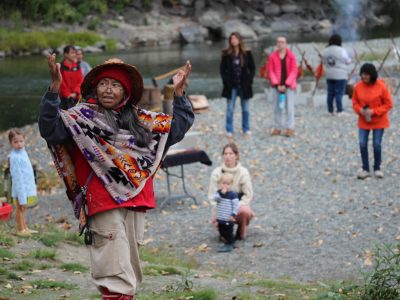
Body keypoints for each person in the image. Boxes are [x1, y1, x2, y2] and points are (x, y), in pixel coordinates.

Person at [39, 54, 194, 300]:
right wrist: (54, 90)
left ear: (126, 91)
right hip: (102, 202)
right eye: (103, 83)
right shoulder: (79, 120)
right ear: (94, 87)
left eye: (115, 85)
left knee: (128, 269)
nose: (108, 90)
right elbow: (48, 129)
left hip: (136, 201)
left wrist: (180, 94)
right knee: (114, 275)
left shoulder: (142, 121)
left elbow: (175, 129)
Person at [352, 63, 393, 180]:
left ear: (372, 75)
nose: (363, 76)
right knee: (362, 143)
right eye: (362, 74)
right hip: (363, 120)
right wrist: (360, 110)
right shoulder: (358, 87)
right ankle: (365, 169)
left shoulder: (381, 86)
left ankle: (377, 168)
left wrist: (374, 111)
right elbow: (354, 102)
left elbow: (389, 104)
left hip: (379, 121)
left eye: (366, 74)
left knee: (376, 144)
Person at [208, 143, 254, 240]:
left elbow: (248, 194)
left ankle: (241, 231)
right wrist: (215, 212)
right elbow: (212, 196)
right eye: (225, 154)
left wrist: (234, 207)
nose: (228, 156)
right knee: (224, 236)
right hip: (222, 207)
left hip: (238, 205)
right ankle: (224, 232)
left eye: (231, 154)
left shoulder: (243, 172)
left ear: (236, 156)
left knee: (245, 212)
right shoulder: (216, 173)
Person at [220, 32, 255, 137]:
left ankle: (246, 128)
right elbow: (222, 70)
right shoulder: (226, 54)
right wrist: (226, 81)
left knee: (245, 109)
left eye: (235, 38)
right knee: (230, 109)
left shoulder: (247, 53)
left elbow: (252, 68)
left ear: (239, 40)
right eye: (232, 39)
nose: (233, 40)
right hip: (231, 86)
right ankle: (229, 129)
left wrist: (249, 80)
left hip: (244, 85)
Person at [8, 128, 38, 237]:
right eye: (15, 142)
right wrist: (21, 195)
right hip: (20, 188)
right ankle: (20, 229)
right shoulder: (14, 157)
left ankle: (25, 227)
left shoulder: (23, 152)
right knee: (20, 208)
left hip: (26, 187)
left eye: (21, 141)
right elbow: (17, 177)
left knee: (23, 208)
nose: (19, 144)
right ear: (11, 143)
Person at [267, 36, 297, 137]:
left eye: (282, 42)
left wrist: (287, 84)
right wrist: (276, 84)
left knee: (289, 107)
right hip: (276, 86)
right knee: (277, 107)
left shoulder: (291, 56)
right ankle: (277, 127)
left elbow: (294, 71)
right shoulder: (272, 56)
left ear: (286, 43)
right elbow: (270, 71)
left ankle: (290, 128)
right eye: (278, 42)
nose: (280, 44)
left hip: (289, 86)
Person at [322, 34, 351, 116]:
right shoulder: (341, 50)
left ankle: (330, 110)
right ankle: (340, 110)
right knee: (339, 93)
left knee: (330, 93)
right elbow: (347, 61)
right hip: (340, 74)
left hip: (329, 74)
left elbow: (323, 61)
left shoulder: (325, 50)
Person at [214, 173, 239, 253]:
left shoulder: (233, 195)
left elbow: (236, 206)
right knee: (221, 231)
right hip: (221, 218)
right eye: (223, 183)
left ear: (231, 185)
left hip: (229, 218)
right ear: (220, 183)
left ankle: (229, 244)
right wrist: (221, 193)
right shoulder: (218, 193)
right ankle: (229, 243)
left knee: (228, 231)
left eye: (228, 184)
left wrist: (233, 215)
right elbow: (216, 199)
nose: (225, 185)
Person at [59, 45, 84, 110]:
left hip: (76, 97)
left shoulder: (77, 66)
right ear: (66, 54)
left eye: (75, 53)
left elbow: (80, 81)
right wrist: (67, 94)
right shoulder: (60, 67)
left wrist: (75, 93)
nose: (75, 55)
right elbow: (61, 82)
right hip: (63, 99)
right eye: (72, 53)